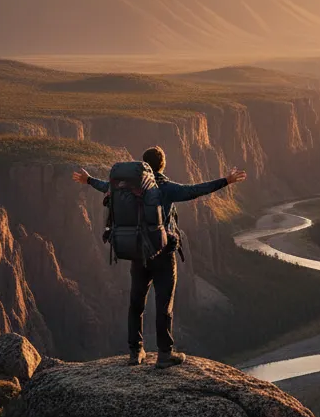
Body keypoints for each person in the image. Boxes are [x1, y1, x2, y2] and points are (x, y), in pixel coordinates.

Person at [72, 146, 247, 368]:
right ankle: (165, 354)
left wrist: (88, 180)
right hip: (163, 254)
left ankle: (135, 352)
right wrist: (226, 181)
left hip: (138, 253)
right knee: (164, 304)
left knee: (136, 302)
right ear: (162, 165)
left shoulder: (130, 186)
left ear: (143, 165)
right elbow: (195, 190)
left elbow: (106, 187)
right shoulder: (166, 188)